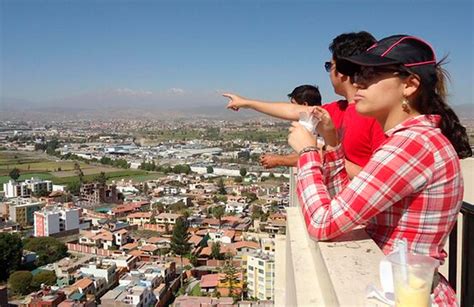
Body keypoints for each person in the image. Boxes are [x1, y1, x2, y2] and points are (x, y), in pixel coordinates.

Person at [288, 34, 472, 306]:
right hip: (402, 288)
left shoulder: (412, 146)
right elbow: (345, 203)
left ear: (409, 84)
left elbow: (323, 223)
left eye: (371, 74)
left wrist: (307, 153)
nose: (358, 81)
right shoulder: (412, 140)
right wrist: (333, 144)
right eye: (359, 72)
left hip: (405, 295)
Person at [225, 32, 385, 178]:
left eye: (330, 66)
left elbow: (380, 182)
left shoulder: (376, 116)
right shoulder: (337, 110)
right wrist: (247, 103)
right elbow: (292, 110)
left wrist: (318, 153)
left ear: (342, 71)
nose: (329, 73)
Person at [260, 84, 322, 169]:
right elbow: (303, 152)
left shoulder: (321, 127)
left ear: (304, 105)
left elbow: (315, 155)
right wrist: (276, 158)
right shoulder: (313, 125)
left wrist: (278, 160)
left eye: (293, 105)